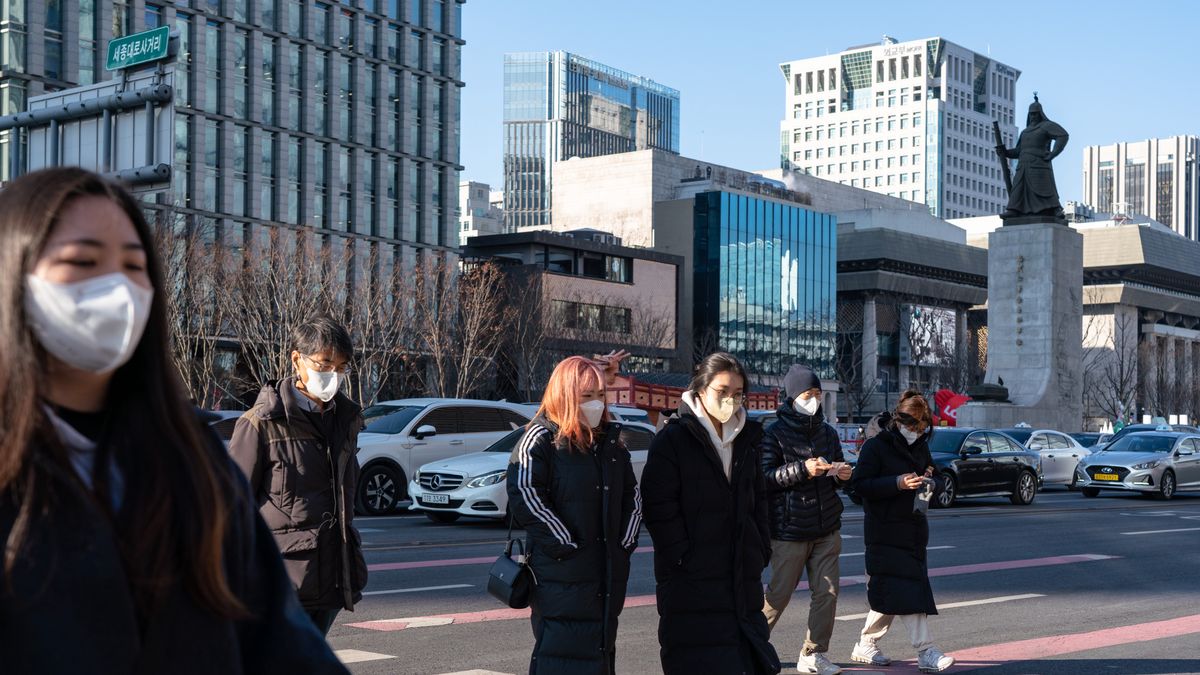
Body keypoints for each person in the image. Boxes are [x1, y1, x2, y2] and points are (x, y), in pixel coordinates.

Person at [0, 167, 346, 673]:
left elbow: (279, 642)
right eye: (84, 261)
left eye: (134, 265)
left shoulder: (190, 459)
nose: (117, 288)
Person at [641, 352, 780, 675]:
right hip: (690, 580)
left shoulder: (747, 439)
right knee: (696, 660)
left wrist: (760, 548)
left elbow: (758, 499)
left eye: (737, 393)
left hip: (741, 575)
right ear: (701, 390)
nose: (730, 400)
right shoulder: (674, 438)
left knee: (744, 659)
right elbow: (658, 505)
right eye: (722, 391)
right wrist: (681, 556)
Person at [229, 317, 368, 636]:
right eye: (325, 364)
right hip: (282, 582)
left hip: (334, 576)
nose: (333, 375)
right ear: (297, 359)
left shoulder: (345, 421)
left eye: (342, 367)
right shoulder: (261, 424)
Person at [505, 356, 641, 674]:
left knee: (600, 651)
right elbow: (524, 492)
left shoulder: (611, 445)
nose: (595, 404)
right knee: (560, 653)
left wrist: (625, 542)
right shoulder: (541, 438)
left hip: (606, 572)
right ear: (565, 395)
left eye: (599, 396)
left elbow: (632, 497)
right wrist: (565, 543)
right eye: (586, 397)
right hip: (560, 575)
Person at [848, 391, 954, 673]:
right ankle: (926, 651)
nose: (916, 432)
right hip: (884, 531)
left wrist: (931, 483)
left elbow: (940, 478)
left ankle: (866, 644)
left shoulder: (920, 446)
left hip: (914, 529)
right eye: (912, 426)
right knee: (908, 590)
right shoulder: (876, 446)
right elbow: (859, 487)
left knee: (890, 591)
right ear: (899, 420)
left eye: (921, 427)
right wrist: (897, 483)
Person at [760, 365, 852, 675]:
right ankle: (752, 644)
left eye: (816, 394)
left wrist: (842, 474)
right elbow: (764, 479)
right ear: (792, 397)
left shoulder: (827, 431)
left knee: (827, 593)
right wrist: (802, 469)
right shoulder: (774, 433)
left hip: (827, 526)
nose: (813, 400)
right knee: (778, 595)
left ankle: (814, 653)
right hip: (790, 528)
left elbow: (839, 469)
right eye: (806, 394)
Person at [998, 95, 1069, 219]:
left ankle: (1054, 209)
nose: (1033, 116)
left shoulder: (1046, 126)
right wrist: (1005, 152)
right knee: (1018, 189)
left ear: (1040, 114)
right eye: (1031, 114)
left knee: (1045, 188)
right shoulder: (1025, 132)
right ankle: (1014, 209)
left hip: (1039, 163)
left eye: (1035, 114)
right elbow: (1018, 151)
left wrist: (1053, 153)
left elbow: (1062, 135)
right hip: (1023, 166)